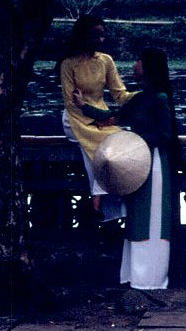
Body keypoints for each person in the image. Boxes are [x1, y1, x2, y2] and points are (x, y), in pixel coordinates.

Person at [74, 46, 178, 289]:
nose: (134, 66)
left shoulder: (160, 99)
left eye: (138, 61)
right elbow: (113, 118)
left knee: (152, 218)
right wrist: (83, 106)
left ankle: (152, 279)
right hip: (138, 161)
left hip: (154, 164)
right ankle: (135, 276)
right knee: (137, 217)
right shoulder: (140, 98)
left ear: (148, 67)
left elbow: (165, 135)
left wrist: (135, 140)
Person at [58, 15, 135, 220]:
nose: (100, 40)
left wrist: (143, 97)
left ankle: (101, 195)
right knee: (104, 144)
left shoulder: (105, 60)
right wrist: (94, 120)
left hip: (101, 117)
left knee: (120, 140)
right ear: (83, 36)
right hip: (76, 119)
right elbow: (70, 102)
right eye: (95, 36)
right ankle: (98, 197)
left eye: (102, 36)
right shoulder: (68, 64)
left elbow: (120, 95)